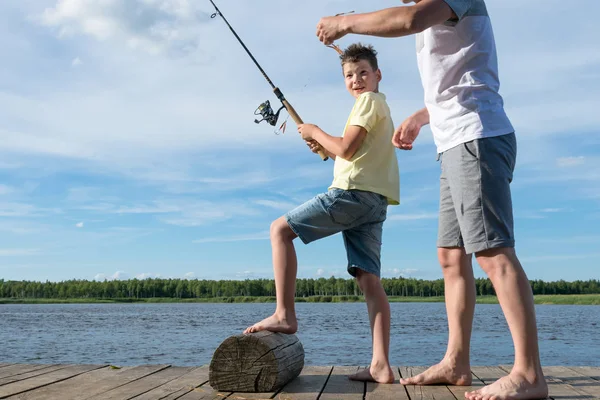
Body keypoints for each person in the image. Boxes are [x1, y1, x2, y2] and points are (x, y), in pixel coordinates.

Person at [315, 1, 548, 400]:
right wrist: (421, 117)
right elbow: (460, 78)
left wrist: (344, 23)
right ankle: (457, 364)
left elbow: (408, 19)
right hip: (453, 141)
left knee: (492, 251)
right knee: (450, 255)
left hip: (476, 135)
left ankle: (528, 373)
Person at [243, 43, 400, 384]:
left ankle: (284, 314)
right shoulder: (380, 106)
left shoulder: (368, 102)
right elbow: (349, 151)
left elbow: (345, 146)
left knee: (280, 230)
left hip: (352, 194)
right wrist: (324, 146)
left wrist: (314, 132)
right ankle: (381, 365)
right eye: (348, 75)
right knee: (369, 280)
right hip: (375, 201)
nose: (356, 80)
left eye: (362, 73)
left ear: (377, 75)